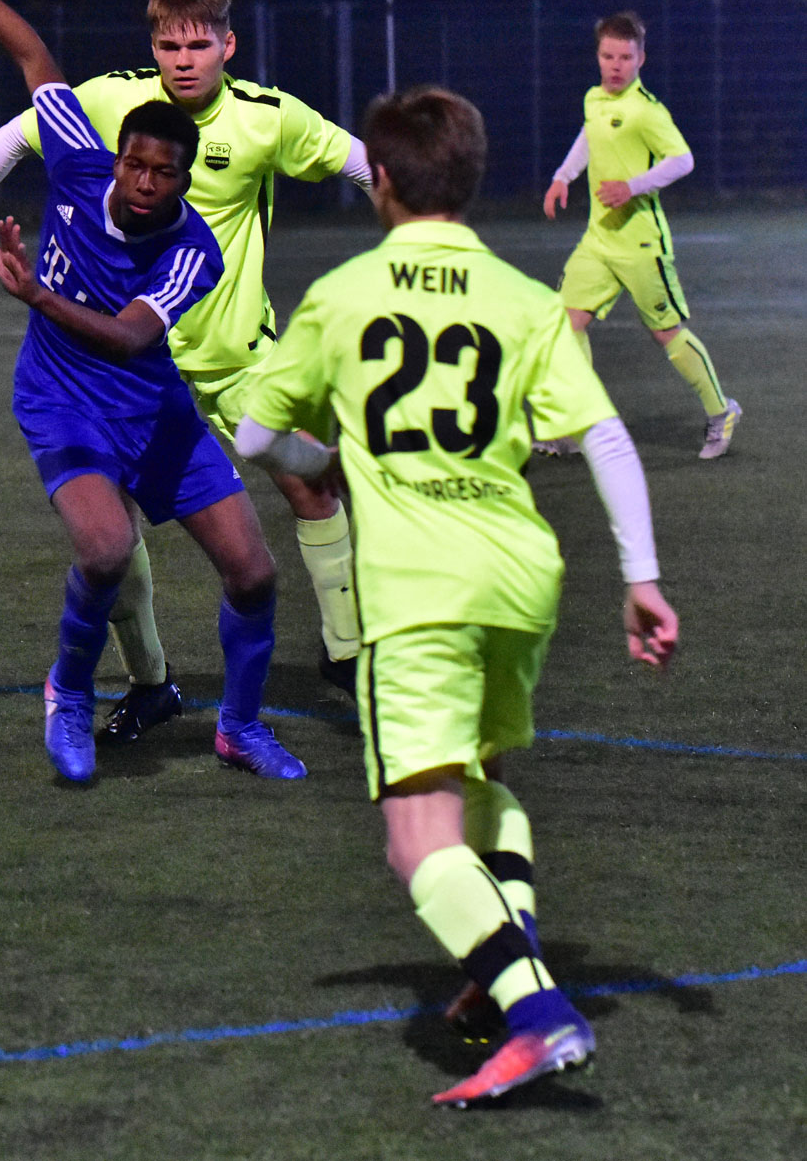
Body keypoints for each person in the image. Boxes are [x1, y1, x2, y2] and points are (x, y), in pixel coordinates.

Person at [234, 85, 679, 1105]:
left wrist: (324, 461)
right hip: (518, 578)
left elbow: (256, 436)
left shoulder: (343, 295)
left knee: (414, 839)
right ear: (470, 180)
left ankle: (535, 1011)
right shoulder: (522, 299)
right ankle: (502, 961)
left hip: (417, 589)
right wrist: (641, 579)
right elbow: (604, 437)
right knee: (479, 781)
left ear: (380, 181)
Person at [0, 0, 372, 741]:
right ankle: (150, 682)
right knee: (112, 534)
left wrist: (418, 229)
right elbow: (19, 131)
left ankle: (347, 652)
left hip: (233, 360)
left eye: (199, 45)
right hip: (123, 374)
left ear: (228, 44)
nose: (183, 61)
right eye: (169, 45)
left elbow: (359, 163)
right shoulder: (111, 100)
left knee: (310, 484)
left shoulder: (268, 117)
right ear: (151, 45)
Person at [540, 10, 740, 460]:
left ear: (641, 59)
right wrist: (562, 177)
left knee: (666, 333)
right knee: (565, 325)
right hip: (598, 240)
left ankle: (721, 411)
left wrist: (632, 186)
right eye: (608, 56)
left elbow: (682, 160)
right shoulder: (594, 99)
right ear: (598, 56)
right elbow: (589, 136)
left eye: (625, 57)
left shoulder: (647, 110)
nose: (616, 66)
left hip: (641, 244)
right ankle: (578, 426)